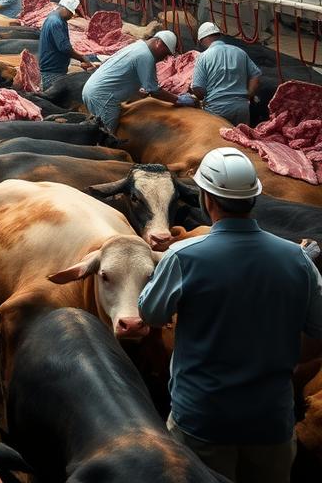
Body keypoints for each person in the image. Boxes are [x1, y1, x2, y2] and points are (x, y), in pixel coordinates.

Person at [138, 148, 322, 483]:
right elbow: (317, 331)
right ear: (255, 198)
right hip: (271, 420)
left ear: (206, 199)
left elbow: (150, 313)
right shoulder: (298, 260)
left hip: (202, 418)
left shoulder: (182, 257)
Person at [81, 30, 183, 134]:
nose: (164, 58)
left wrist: (136, 91)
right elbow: (153, 90)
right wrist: (178, 99)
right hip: (103, 99)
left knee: (93, 130)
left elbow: (122, 72)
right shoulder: (146, 56)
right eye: (165, 53)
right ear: (159, 43)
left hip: (91, 90)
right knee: (105, 136)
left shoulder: (138, 46)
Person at [187, 22, 262, 126]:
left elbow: (197, 88)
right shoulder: (240, 52)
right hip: (241, 108)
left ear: (202, 40)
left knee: (217, 140)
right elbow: (256, 76)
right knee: (242, 140)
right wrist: (248, 95)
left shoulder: (204, 57)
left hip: (216, 110)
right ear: (219, 35)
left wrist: (197, 98)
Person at [37, 0, 95, 90]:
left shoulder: (56, 18)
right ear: (65, 9)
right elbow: (65, 48)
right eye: (71, 13)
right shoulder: (56, 22)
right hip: (52, 70)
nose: (72, 16)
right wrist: (82, 58)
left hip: (54, 66)